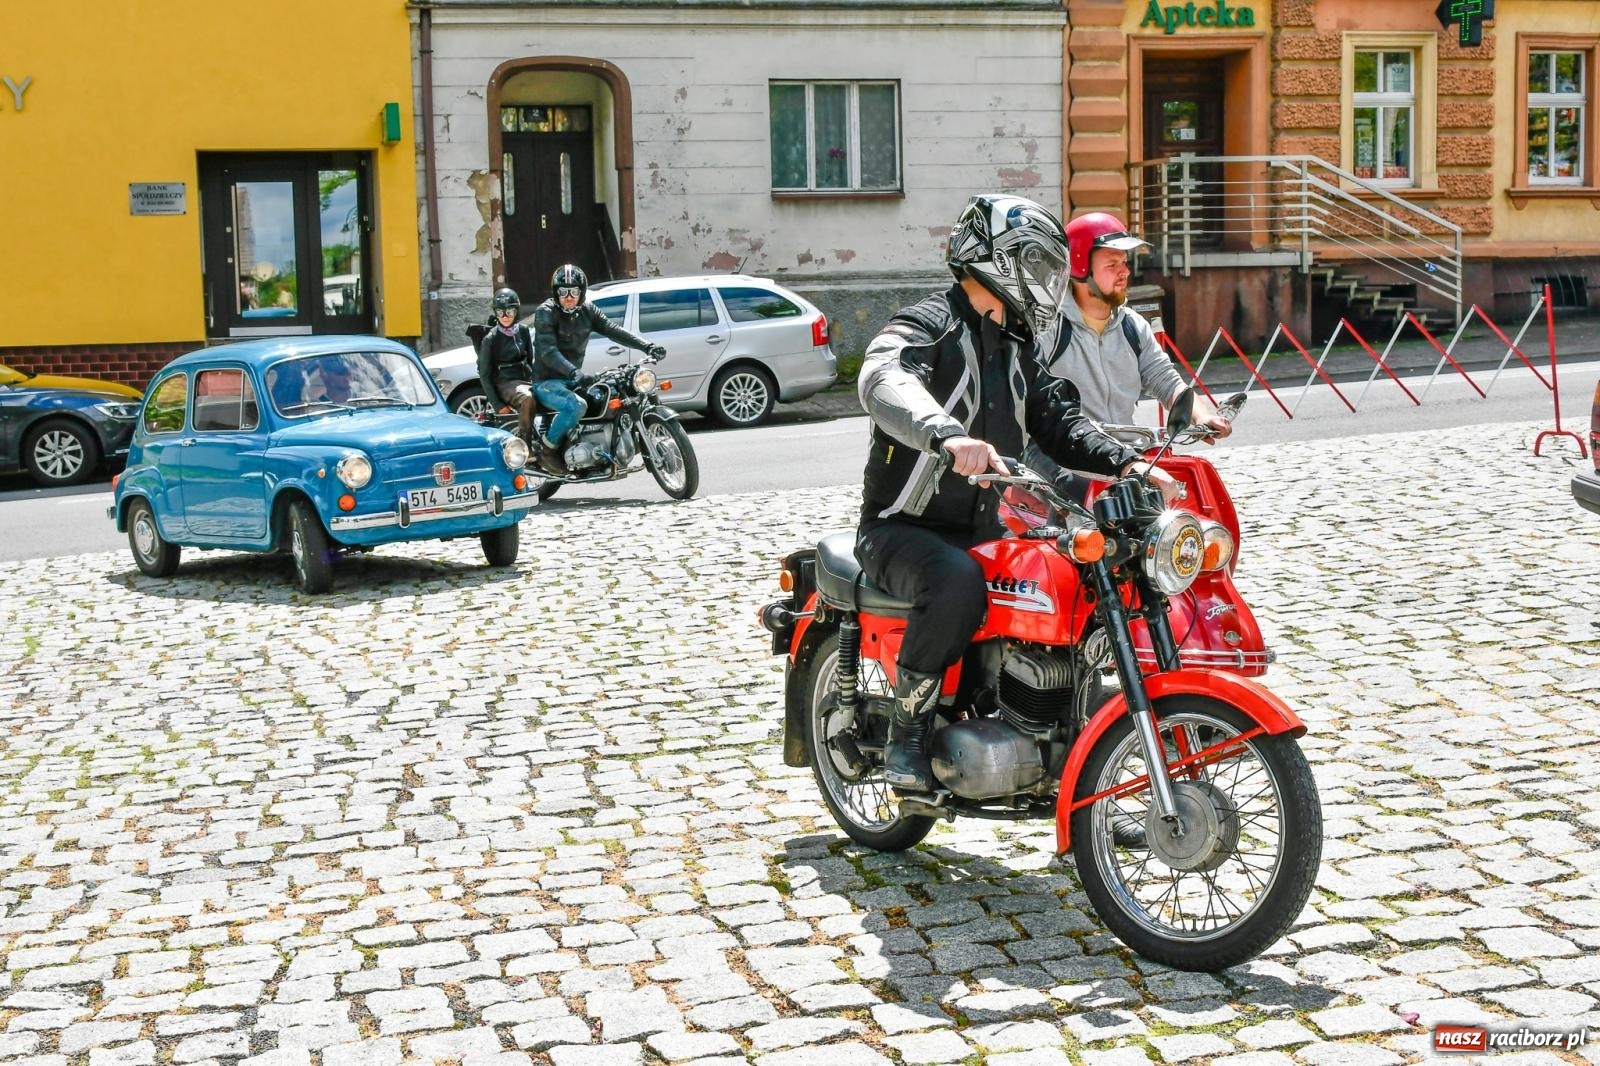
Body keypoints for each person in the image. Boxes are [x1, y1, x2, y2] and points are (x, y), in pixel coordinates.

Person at [856, 194, 1183, 794]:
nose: (1046, 280)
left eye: (1050, 267)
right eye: (1034, 264)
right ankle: (908, 731)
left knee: (1076, 572)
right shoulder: (930, 324)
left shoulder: (1016, 345)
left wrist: (1131, 463)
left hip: (987, 528)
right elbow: (883, 377)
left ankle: (1063, 739)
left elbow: (1063, 423)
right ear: (992, 259)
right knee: (955, 581)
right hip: (904, 529)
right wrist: (948, 436)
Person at [1024, 211, 1232, 493]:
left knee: (1188, 490)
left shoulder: (1132, 326)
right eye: (1112, 264)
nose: (1125, 272)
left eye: (1124, 262)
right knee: (1078, 497)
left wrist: (1201, 416)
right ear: (1079, 266)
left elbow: (1166, 380)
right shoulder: (1048, 326)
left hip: (1124, 453)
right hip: (1061, 455)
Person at [530, 264, 665, 472]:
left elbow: (613, 329)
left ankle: (601, 450)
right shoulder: (545, 312)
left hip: (572, 380)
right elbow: (548, 352)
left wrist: (647, 346)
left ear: (581, 292)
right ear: (555, 293)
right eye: (563, 291)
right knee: (576, 406)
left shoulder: (587, 310)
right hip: (547, 382)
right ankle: (547, 450)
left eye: (573, 291)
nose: (568, 296)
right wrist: (574, 372)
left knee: (608, 396)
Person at [476, 287, 539, 451]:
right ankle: (525, 445)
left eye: (509, 311)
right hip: (505, 383)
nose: (505, 316)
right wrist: (497, 404)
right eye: (500, 312)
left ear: (516, 311)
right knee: (527, 399)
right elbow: (484, 374)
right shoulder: (491, 338)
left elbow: (530, 360)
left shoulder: (524, 331)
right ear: (495, 313)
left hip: (525, 379)